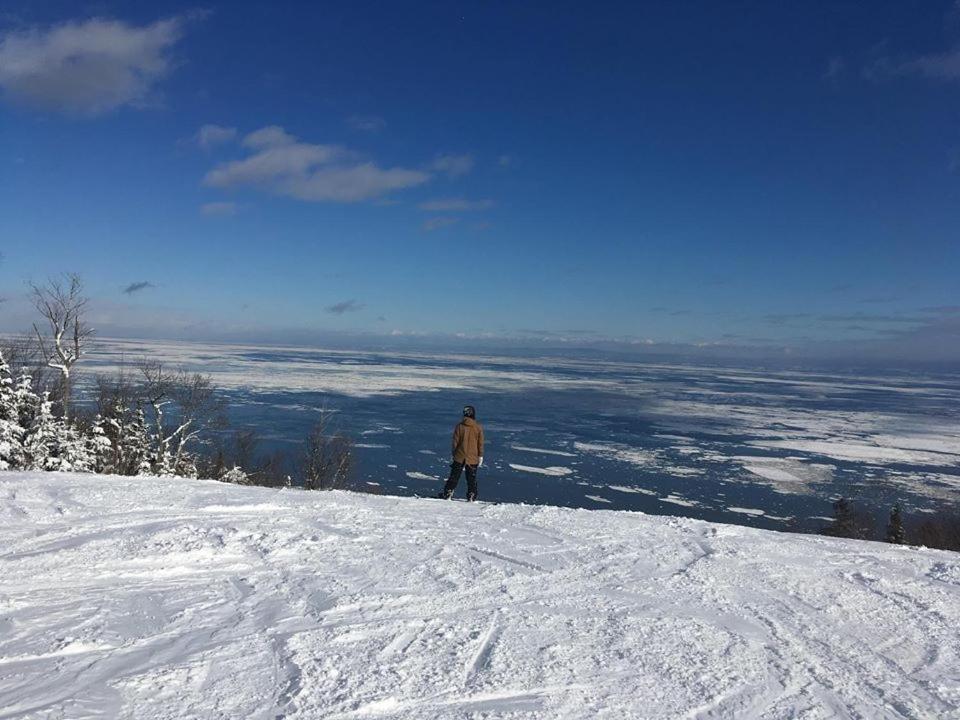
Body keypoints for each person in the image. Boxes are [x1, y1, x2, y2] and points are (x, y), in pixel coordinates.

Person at [440, 405, 484, 501]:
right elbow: (480, 443)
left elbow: (455, 442)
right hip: (473, 457)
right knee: (471, 478)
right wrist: (480, 455)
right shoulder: (478, 427)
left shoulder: (459, 426)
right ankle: (472, 496)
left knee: (454, 476)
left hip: (459, 456)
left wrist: (453, 454)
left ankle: (448, 493)